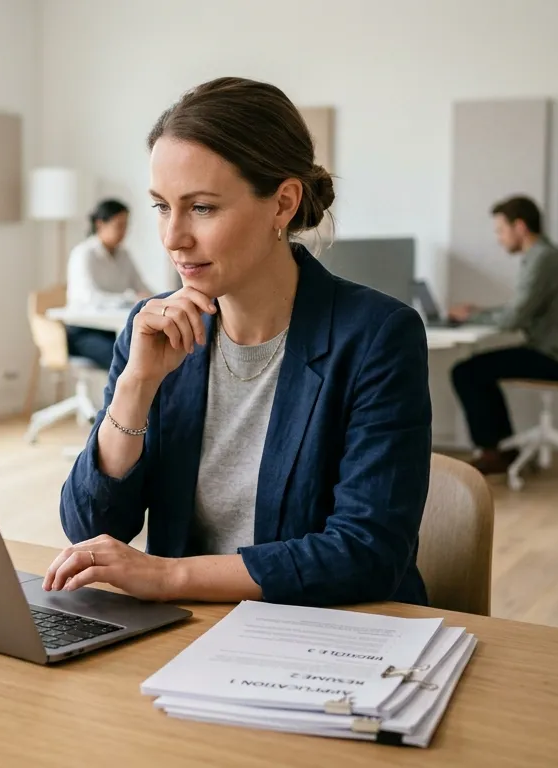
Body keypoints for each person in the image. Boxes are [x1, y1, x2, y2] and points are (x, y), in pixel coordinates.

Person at [43, 77, 433, 608]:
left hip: (328, 637)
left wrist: (168, 578)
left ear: (283, 204)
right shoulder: (153, 328)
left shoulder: (377, 337)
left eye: (201, 207)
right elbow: (91, 524)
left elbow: (366, 553)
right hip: (187, 636)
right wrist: (135, 387)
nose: (173, 237)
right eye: (162, 206)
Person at [446, 196, 558, 475]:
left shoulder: (543, 260)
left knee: (466, 371)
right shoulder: (546, 256)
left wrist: (473, 316)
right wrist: (478, 313)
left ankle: (494, 452)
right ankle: (502, 449)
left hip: (554, 356)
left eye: (501, 230)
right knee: (476, 369)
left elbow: (513, 318)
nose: (499, 238)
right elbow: (517, 310)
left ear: (520, 227)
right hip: (554, 349)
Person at [64, 199, 152, 370]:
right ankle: (118, 397)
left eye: (126, 226)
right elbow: (90, 298)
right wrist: (130, 299)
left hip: (113, 329)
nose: (124, 232)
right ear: (100, 224)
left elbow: (141, 287)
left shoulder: (124, 254)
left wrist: (160, 301)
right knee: (124, 359)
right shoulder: (84, 254)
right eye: (119, 225)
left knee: (147, 352)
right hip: (83, 331)